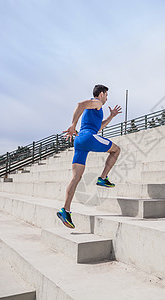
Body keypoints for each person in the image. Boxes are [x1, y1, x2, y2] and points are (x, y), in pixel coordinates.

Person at [57, 84, 122, 229]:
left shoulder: (96, 110)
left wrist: (111, 116)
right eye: (106, 95)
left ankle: (65, 210)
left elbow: (98, 127)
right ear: (101, 94)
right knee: (116, 150)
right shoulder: (97, 102)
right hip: (88, 138)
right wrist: (73, 125)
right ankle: (103, 178)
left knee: (76, 178)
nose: (106, 98)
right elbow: (80, 105)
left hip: (80, 141)